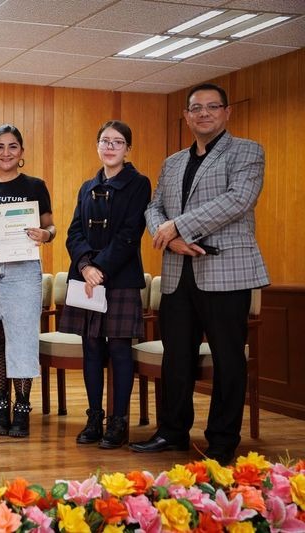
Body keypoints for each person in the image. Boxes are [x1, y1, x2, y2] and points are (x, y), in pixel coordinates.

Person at [128, 83, 269, 465]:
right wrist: (169, 237)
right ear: (187, 116)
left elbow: (238, 200)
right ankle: (172, 433)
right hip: (177, 273)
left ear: (227, 112)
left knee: (228, 359)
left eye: (212, 107)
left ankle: (222, 441)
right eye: (196, 108)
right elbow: (154, 207)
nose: (203, 113)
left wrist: (179, 226)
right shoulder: (173, 162)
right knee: (177, 358)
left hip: (226, 272)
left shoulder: (247, 152)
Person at [59, 120, 151, 449]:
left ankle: (118, 422)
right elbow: (74, 232)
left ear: (128, 148)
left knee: (119, 349)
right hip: (87, 278)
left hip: (120, 278)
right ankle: (94, 418)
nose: (110, 147)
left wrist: (100, 268)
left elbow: (131, 233)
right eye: (104, 141)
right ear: (97, 146)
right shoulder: (87, 186)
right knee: (91, 347)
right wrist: (85, 266)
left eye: (117, 142)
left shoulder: (139, 184)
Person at [0, 124, 55, 438]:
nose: (6, 152)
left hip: (23, 268)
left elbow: (51, 226)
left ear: (22, 151)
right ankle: (0, 406)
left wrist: (46, 235)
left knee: (22, 337)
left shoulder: (35, 186)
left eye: (13, 146)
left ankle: (22, 408)